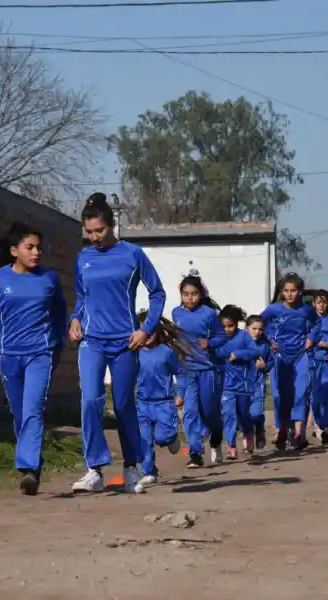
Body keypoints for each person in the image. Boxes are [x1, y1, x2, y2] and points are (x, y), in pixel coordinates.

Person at [69, 193, 166, 494]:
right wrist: (74, 319)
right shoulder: (82, 259)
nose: (95, 237)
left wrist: (145, 329)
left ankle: (131, 467)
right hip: (92, 341)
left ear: (112, 226)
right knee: (90, 400)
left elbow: (157, 293)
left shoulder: (132, 254)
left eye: (100, 231)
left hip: (125, 342)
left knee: (124, 404)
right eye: (90, 232)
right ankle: (94, 469)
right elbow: (82, 298)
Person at [0, 222, 67, 496]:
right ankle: (35, 462)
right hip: (9, 355)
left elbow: (59, 314)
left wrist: (58, 345)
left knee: (33, 409)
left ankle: (28, 468)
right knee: (20, 413)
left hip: (40, 354)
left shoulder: (49, 279)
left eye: (38, 248)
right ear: (13, 251)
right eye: (29, 247)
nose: (36, 252)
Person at [261, 273, 321, 451]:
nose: (289, 294)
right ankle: (282, 430)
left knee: (301, 392)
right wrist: (268, 340)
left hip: (301, 354)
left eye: (293, 290)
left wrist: (311, 337)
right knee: (280, 395)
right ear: (281, 292)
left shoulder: (306, 310)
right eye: (286, 290)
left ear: (300, 291)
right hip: (280, 355)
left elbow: (317, 323)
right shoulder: (273, 309)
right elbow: (257, 324)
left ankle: (298, 434)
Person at [172, 274, 227, 468]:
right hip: (187, 370)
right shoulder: (176, 313)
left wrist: (210, 343)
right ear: (181, 294)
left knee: (209, 411)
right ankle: (195, 453)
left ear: (201, 294)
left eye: (194, 294)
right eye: (186, 294)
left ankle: (216, 436)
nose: (190, 298)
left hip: (207, 369)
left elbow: (222, 337)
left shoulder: (209, 314)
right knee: (190, 412)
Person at [134, 311, 191, 486]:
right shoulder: (134, 353)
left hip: (164, 403)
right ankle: (149, 471)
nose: (148, 334)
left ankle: (172, 438)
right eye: (144, 330)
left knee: (162, 438)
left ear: (158, 331)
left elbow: (181, 373)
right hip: (143, 404)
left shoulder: (166, 352)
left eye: (151, 329)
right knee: (144, 440)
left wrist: (180, 394)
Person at [215, 305, 262, 458]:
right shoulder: (217, 339)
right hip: (225, 385)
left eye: (231, 326)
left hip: (243, 384)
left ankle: (248, 432)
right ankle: (231, 446)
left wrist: (238, 354)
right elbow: (214, 353)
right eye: (224, 327)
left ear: (237, 324)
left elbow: (255, 352)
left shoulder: (244, 336)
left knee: (243, 414)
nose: (227, 329)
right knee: (228, 414)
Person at [309, 290, 328, 445]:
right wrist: (314, 342)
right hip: (313, 362)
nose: (321, 305)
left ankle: (325, 427)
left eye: (324, 302)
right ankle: (318, 423)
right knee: (315, 397)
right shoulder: (309, 320)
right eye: (318, 302)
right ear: (314, 304)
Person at [246, 315, 272, 450]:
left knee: (256, 414)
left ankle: (260, 430)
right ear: (247, 329)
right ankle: (248, 436)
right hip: (240, 385)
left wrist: (265, 367)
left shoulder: (264, 346)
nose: (257, 332)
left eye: (260, 329)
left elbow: (271, 363)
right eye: (254, 328)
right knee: (243, 415)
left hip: (257, 384)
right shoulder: (240, 343)